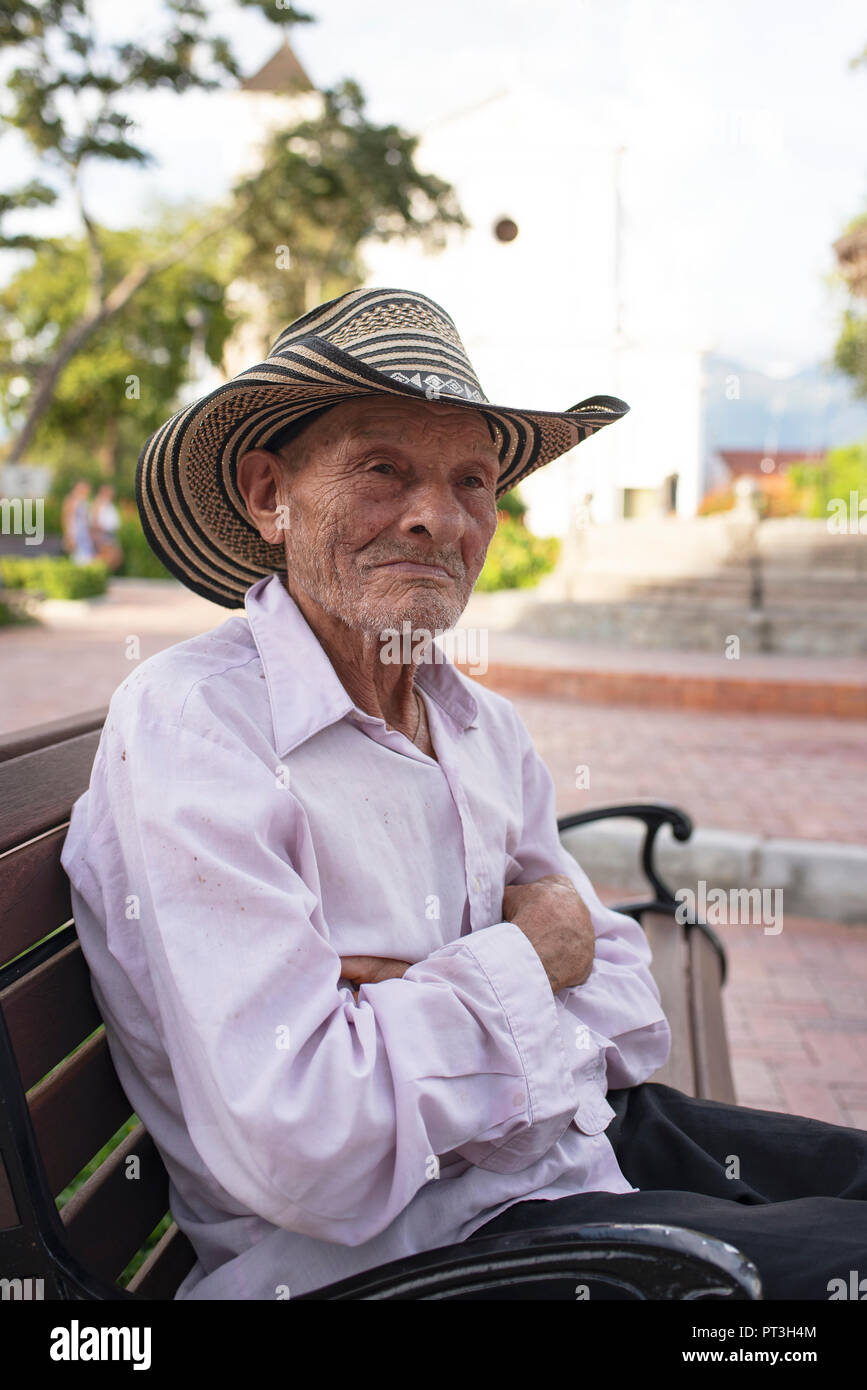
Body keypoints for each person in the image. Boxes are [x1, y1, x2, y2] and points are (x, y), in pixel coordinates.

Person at [61, 287, 867, 1301]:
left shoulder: (479, 723)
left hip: (578, 1157)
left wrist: (424, 1005)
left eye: (472, 481)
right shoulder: (195, 727)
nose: (435, 516)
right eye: (383, 468)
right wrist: (530, 954)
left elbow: (628, 999)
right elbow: (307, 1141)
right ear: (270, 494)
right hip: (415, 1257)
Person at [60, 479, 95, 563]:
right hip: (75, 534)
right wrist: (68, 535)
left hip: (84, 534)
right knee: (77, 558)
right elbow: (66, 518)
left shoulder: (84, 501)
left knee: (87, 558)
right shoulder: (71, 500)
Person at [89, 483, 122, 571]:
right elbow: (94, 522)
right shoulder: (97, 505)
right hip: (103, 536)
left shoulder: (109, 505)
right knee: (104, 558)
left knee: (114, 559)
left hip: (110, 535)